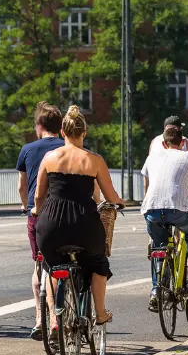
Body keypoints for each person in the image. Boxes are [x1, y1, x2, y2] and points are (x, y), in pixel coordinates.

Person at [33, 106, 126, 335]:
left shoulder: (49, 157)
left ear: (63, 133)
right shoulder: (94, 160)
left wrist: (37, 210)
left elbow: (39, 195)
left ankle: (55, 319)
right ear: (84, 132)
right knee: (98, 264)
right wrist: (121, 202)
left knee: (52, 267)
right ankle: (101, 313)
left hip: (52, 224)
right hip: (84, 223)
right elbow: (109, 196)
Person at [141, 125, 188, 311]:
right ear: (183, 142)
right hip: (178, 209)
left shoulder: (151, 158)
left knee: (159, 247)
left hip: (151, 209)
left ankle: (157, 289)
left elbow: (147, 187)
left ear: (164, 143)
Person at [16, 101, 64, 341]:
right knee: (65, 262)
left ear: (40, 125)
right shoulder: (69, 147)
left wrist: (26, 207)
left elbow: (22, 186)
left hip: (38, 215)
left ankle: (39, 319)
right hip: (65, 213)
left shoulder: (28, 149)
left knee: (40, 265)